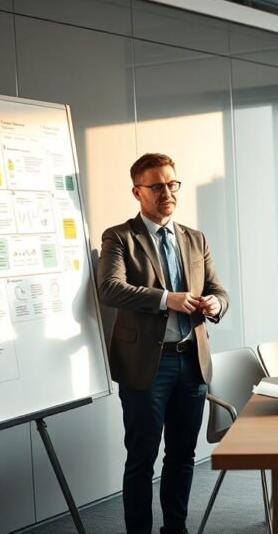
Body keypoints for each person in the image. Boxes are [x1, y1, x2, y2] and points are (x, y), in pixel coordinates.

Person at [98, 152, 229, 534]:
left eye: (172, 184)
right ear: (137, 192)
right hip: (146, 365)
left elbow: (218, 288)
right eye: (157, 186)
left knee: (182, 456)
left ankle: (176, 528)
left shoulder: (194, 238)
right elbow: (110, 288)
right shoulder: (120, 237)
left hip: (192, 360)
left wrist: (215, 302)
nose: (167, 192)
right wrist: (165, 298)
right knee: (141, 458)